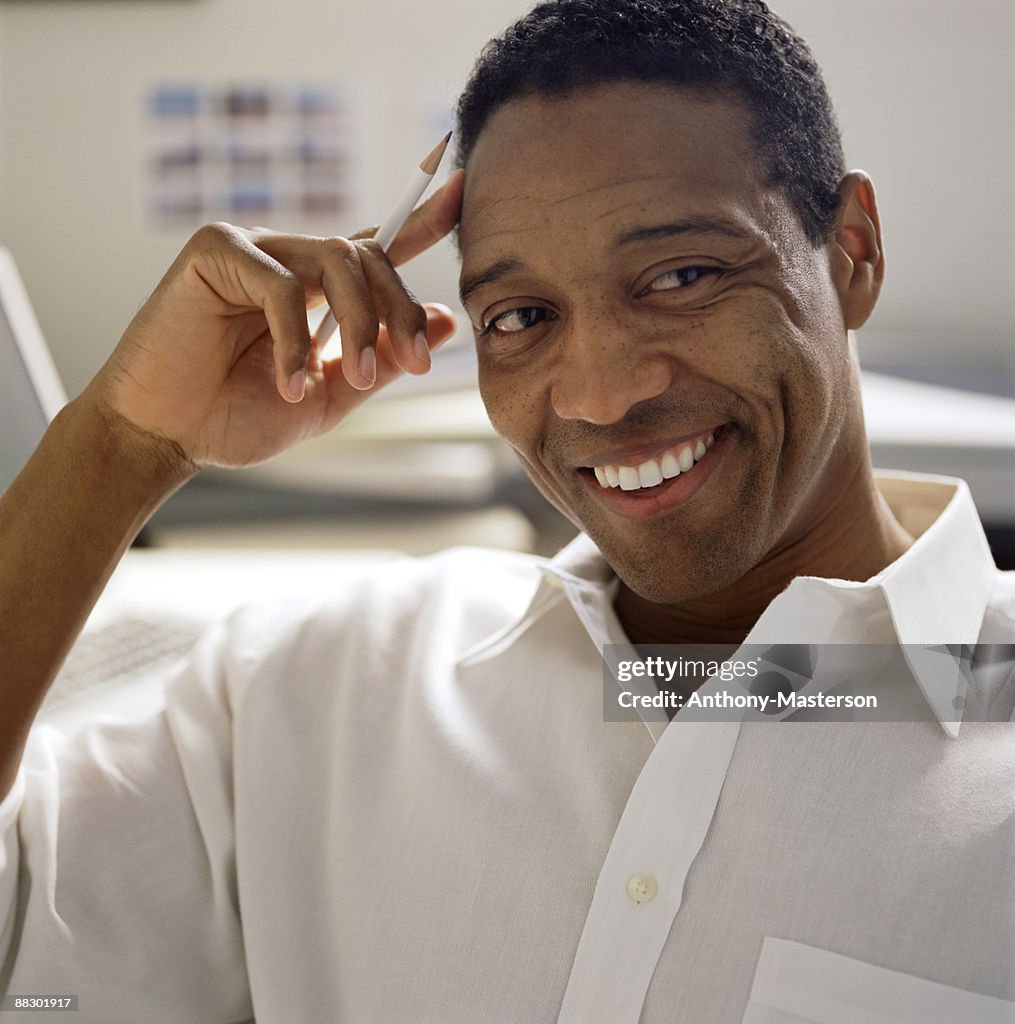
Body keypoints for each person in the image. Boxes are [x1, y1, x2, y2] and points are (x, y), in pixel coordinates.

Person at [1, 1, 1012, 1021]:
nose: (601, 393)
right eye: (521, 317)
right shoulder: (316, 692)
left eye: (684, 275)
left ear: (852, 251)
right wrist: (122, 447)